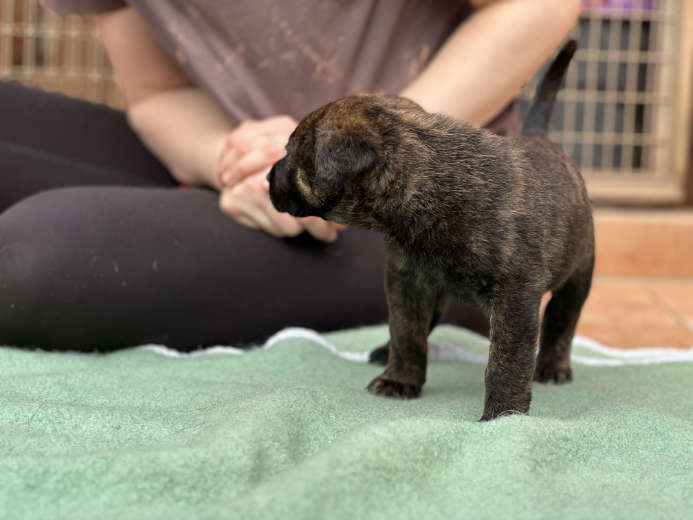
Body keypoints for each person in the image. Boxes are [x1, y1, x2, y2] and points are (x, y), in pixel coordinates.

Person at [0, 0, 582, 350]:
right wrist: (229, 157)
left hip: (423, 221)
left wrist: (373, 149)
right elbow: (157, 93)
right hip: (257, 165)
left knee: (27, 259)